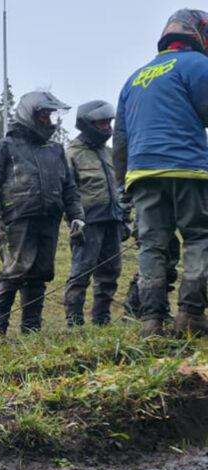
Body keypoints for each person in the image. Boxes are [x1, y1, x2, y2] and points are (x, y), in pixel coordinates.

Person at [114, 9, 208, 337]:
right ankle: (191, 314)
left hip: (141, 173)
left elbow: (121, 139)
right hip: (187, 169)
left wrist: (122, 185)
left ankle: (151, 321)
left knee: (153, 244)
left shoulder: (136, 77)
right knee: (199, 235)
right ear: (199, 35)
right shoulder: (198, 65)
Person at [0, 91, 86, 337]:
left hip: (49, 218)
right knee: (14, 272)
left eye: (50, 116)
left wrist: (77, 217)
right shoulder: (3, 148)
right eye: (43, 115)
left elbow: (70, 188)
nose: (48, 121)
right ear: (30, 114)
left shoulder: (56, 150)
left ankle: (32, 331)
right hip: (17, 219)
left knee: (40, 274)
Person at [62, 101, 126, 327]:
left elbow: (119, 186)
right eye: (101, 123)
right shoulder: (71, 154)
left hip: (113, 220)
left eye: (109, 122)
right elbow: (65, 193)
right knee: (81, 272)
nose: (106, 127)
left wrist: (124, 218)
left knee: (111, 272)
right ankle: (74, 323)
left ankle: (102, 320)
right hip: (87, 223)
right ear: (87, 124)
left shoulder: (110, 153)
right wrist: (73, 222)